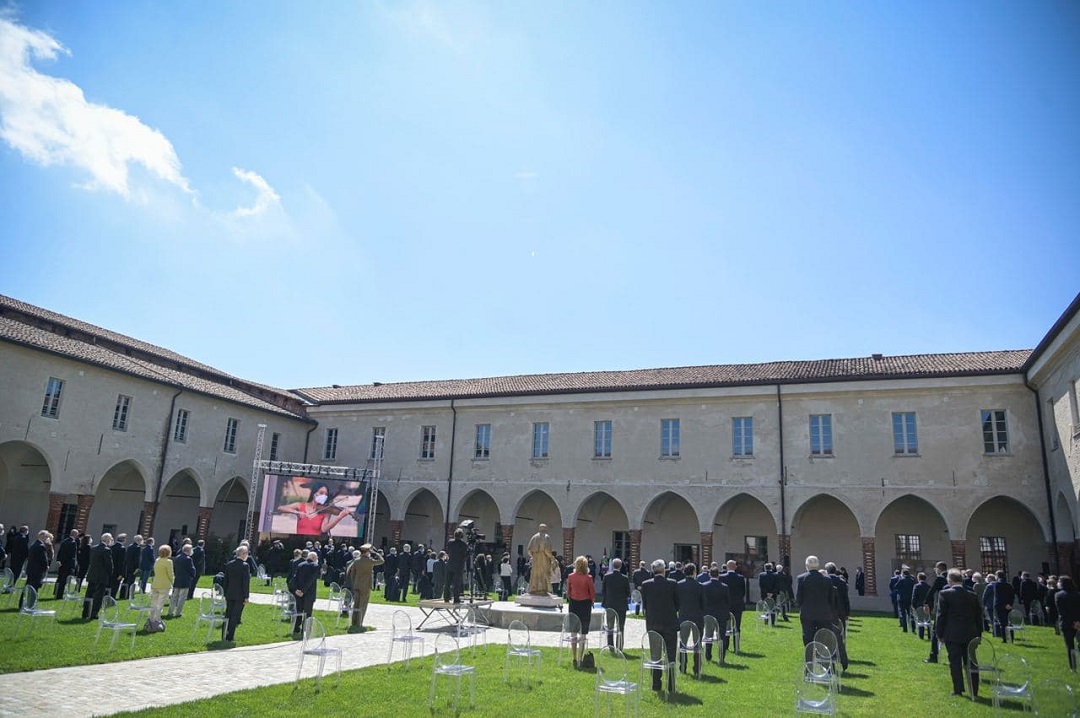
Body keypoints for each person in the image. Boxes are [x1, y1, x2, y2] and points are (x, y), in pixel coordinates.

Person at [935, 568, 983, 697]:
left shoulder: (945, 594)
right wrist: (979, 634)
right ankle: (974, 689)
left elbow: (941, 616)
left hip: (953, 633)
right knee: (972, 662)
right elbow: (979, 616)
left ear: (950, 580)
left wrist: (939, 633)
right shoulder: (972, 595)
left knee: (955, 662)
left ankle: (958, 689)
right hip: (970, 633)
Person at [641, 558, 679, 693]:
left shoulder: (646, 585)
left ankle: (656, 685)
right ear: (664, 570)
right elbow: (677, 604)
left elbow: (644, 605)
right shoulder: (673, 584)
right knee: (671, 655)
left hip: (653, 624)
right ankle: (671, 685)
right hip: (670, 623)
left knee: (655, 656)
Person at [275, 482, 351, 536]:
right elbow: (281, 508)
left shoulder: (326, 511)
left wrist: (339, 517)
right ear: (314, 493)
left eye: (326, 494)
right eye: (321, 493)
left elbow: (324, 529)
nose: (324, 496)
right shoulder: (300, 506)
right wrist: (296, 512)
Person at [795, 555, 836, 646]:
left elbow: (799, 597)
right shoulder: (827, 579)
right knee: (823, 636)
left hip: (807, 612)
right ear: (817, 565)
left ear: (806, 565)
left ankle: (809, 655)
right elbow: (831, 598)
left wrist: (800, 606)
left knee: (808, 636)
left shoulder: (801, 578)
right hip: (824, 612)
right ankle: (821, 654)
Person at [344, 544, 384, 632]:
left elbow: (352, 573)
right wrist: (376, 553)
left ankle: (354, 622)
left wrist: (354, 582)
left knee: (356, 604)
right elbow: (381, 561)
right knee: (363, 604)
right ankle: (359, 623)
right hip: (366, 585)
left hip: (357, 584)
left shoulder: (356, 561)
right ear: (367, 552)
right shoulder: (369, 561)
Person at [566, 555, 596, 667]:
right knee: (583, 633)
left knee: (573, 632)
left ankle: (574, 657)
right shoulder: (588, 578)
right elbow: (592, 592)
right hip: (585, 605)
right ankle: (580, 658)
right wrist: (592, 601)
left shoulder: (571, 576)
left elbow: (568, 591)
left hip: (574, 603)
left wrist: (572, 598)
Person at [676, 562, 705, 675]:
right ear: (694, 572)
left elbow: (676, 601)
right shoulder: (700, 586)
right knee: (697, 644)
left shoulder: (678, 585)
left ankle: (682, 666)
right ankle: (697, 668)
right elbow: (704, 604)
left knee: (683, 643)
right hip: (697, 617)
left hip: (683, 616)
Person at [220, 545, 251, 643]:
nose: (247, 555)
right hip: (240, 595)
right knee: (235, 615)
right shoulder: (245, 566)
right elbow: (245, 582)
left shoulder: (229, 564)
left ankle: (224, 634)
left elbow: (226, 581)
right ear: (242, 554)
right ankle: (230, 636)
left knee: (228, 613)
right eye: (246, 553)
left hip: (229, 593)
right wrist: (246, 596)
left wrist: (225, 593)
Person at [703, 565, 732, 663]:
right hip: (721, 613)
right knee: (721, 636)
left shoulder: (704, 586)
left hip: (709, 613)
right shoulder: (724, 587)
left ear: (709, 574)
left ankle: (708, 654)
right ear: (718, 575)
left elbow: (703, 601)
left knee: (708, 635)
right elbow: (727, 601)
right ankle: (721, 656)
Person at [82, 533, 114, 620]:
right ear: (107, 540)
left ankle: (85, 612)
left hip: (92, 574)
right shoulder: (106, 550)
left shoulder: (93, 548)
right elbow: (109, 565)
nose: (111, 541)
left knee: (89, 594)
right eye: (111, 539)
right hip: (101, 576)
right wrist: (110, 574)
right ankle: (93, 613)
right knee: (98, 596)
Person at [602, 557, 631, 650]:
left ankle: (610, 645)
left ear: (612, 565)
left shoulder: (607, 576)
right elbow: (628, 593)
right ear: (621, 566)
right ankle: (620, 646)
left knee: (610, 626)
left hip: (610, 604)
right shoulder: (625, 578)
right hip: (621, 605)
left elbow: (603, 591)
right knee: (620, 627)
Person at [290, 550, 321, 635]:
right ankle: (305, 629)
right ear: (314, 558)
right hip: (308, 593)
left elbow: (295, 578)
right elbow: (310, 581)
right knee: (307, 612)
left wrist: (296, 589)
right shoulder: (315, 566)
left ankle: (296, 628)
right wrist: (303, 591)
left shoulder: (300, 565)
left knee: (299, 611)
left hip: (298, 592)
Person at [1055, 575, 1080, 670]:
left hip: (1066, 623)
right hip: (1078, 622)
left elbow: (1062, 612)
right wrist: (1077, 621)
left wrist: (1071, 622)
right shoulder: (1077, 594)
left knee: (1070, 646)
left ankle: (1073, 666)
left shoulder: (1058, 595)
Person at [147, 544, 173, 629]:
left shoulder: (157, 560)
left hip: (155, 583)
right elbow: (170, 574)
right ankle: (156, 619)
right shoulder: (168, 562)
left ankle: (151, 618)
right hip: (164, 584)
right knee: (160, 603)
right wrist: (172, 582)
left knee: (154, 602)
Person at [22, 530, 50, 606]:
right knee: (34, 589)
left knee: (27, 586)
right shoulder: (41, 546)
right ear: (42, 536)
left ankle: (22, 603)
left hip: (31, 569)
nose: (47, 538)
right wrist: (46, 566)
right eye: (46, 536)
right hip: (37, 570)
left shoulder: (34, 544)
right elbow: (43, 559)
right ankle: (31, 604)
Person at [527, 524, 556, 595]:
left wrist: (533, 555)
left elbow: (529, 550)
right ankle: (543, 589)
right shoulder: (546, 537)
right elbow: (547, 550)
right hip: (544, 558)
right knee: (544, 573)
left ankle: (533, 589)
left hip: (536, 559)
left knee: (535, 574)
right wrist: (551, 557)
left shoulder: (534, 537)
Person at [170, 544, 197, 617]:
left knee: (174, 597)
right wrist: (193, 575)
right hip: (185, 580)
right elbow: (192, 569)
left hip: (177, 579)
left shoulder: (178, 557)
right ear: (188, 550)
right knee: (182, 597)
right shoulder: (188, 559)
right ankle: (178, 613)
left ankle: (170, 612)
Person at [720, 560, 747, 633]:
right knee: (737, 625)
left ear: (727, 566)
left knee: (726, 626)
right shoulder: (740, 577)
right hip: (737, 604)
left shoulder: (721, 577)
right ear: (735, 567)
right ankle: (736, 643)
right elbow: (743, 592)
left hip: (725, 604)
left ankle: (725, 643)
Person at [54, 528, 79, 599]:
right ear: (75, 534)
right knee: (64, 580)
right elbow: (73, 555)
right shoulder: (73, 542)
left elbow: (60, 551)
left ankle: (56, 592)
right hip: (68, 563)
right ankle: (60, 595)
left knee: (59, 578)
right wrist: (74, 565)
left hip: (62, 562)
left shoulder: (64, 541)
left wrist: (58, 560)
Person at [444, 531, 467, 603]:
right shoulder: (463, 544)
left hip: (450, 564)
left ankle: (446, 597)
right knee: (456, 584)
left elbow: (448, 551)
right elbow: (465, 555)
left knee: (447, 582)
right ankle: (456, 598)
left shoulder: (450, 542)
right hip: (458, 566)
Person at [895, 567, 916, 632]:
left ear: (903, 574)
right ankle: (913, 628)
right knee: (911, 614)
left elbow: (895, 586)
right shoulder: (912, 580)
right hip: (910, 598)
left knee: (903, 613)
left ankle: (905, 628)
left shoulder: (901, 580)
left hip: (902, 598)